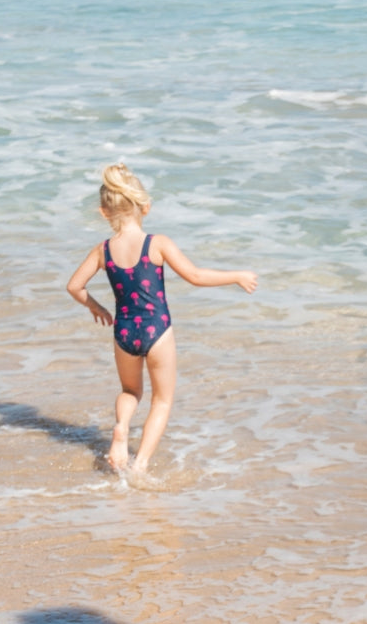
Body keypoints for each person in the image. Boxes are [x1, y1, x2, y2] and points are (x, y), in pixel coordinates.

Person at [66, 163, 257, 474]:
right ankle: (139, 465)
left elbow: (74, 286)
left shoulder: (102, 251)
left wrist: (97, 308)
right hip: (158, 331)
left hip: (124, 332)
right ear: (146, 206)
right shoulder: (157, 243)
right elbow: (195, 276)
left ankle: (121, 427)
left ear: (104, 212)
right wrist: (235, 275)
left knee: (130, 392)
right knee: (162, 400)